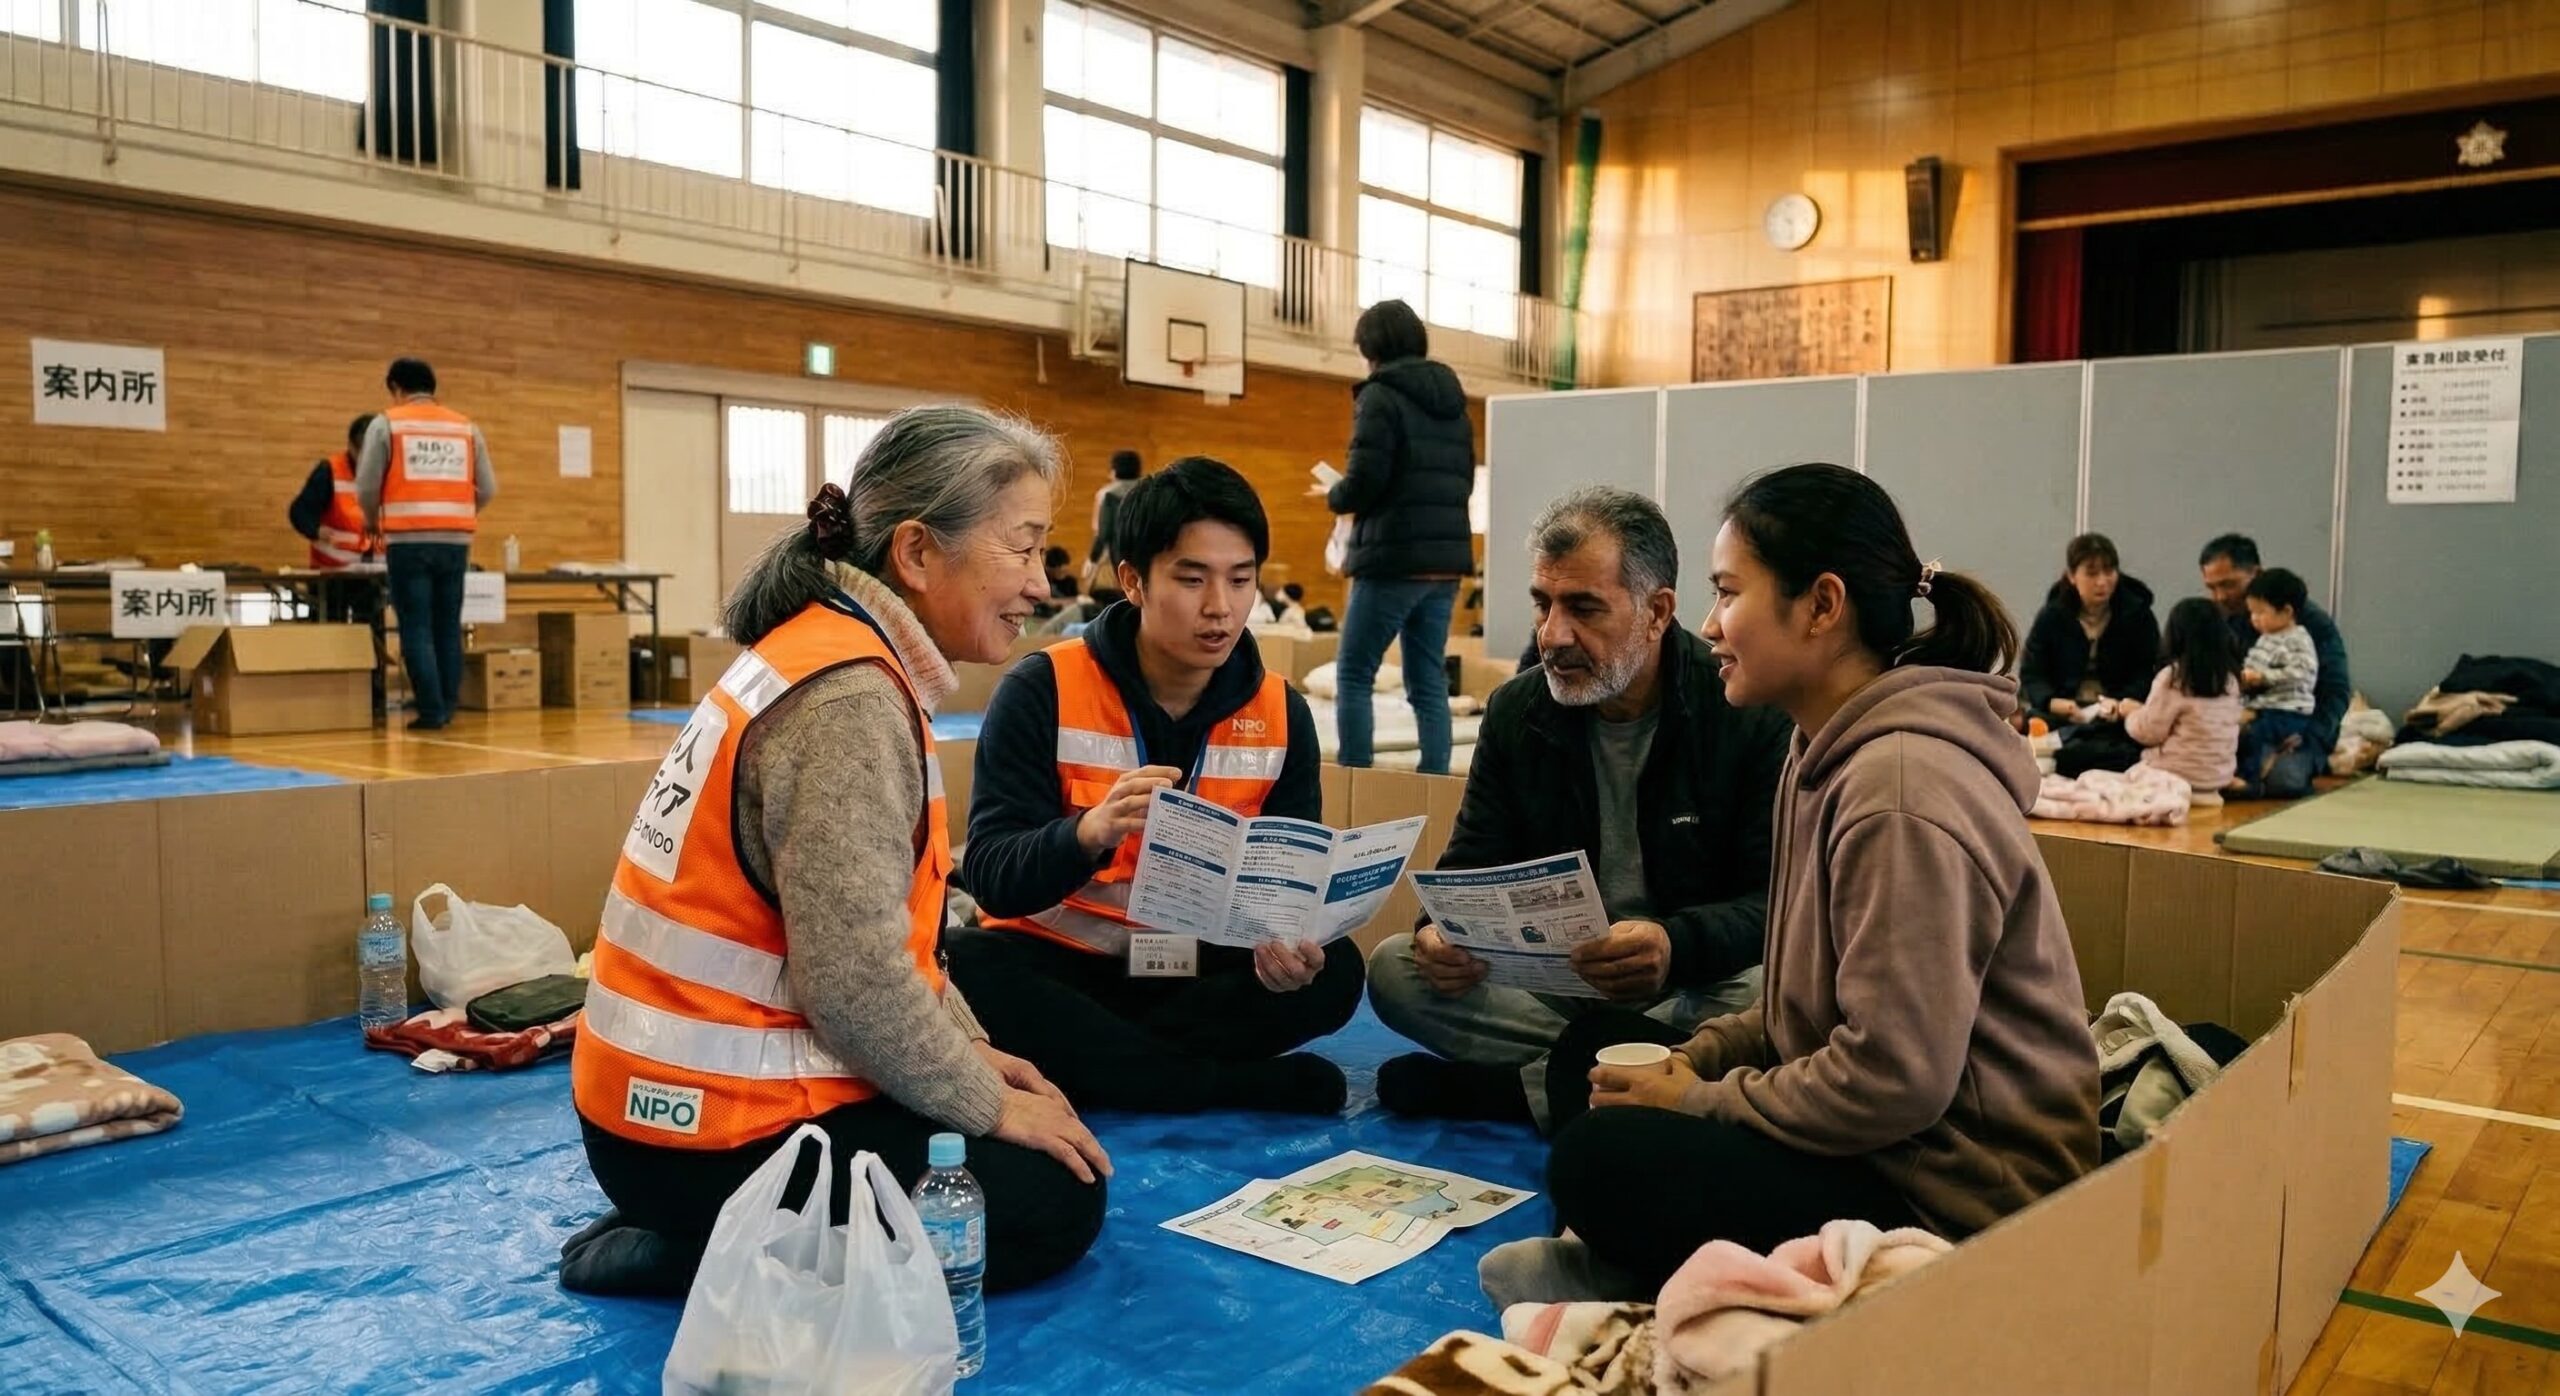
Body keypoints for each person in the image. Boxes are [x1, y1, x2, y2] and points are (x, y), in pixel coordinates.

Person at [564, 406, 1107, 1300]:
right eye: (1023, 547)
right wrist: (988, 1102)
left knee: (1026, 1116)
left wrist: (971, 1050)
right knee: (1052, 1202)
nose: (1040, 584)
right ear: (917, 552)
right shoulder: (850, 699)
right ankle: (702, 1247)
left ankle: (695, 1224)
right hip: (705, 1135)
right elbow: (854, 983)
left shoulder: (836, 654)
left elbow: (893, 946)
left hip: (658, 1114)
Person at [1522, 462, 2098, 1298]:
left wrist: (1697, 1102)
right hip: (1882, 1138)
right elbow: (1805, 1008)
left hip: (1958, 1196)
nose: (1711, 626)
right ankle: (1632, 1264)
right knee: (1593, 1058)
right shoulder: (1820, 749)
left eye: (1728, 593)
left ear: (1822, 606)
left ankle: (1623, 1275)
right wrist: (1696, 1059)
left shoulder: (1899, 791)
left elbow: (1893, 1082)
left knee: (1597, 1158)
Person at [1367, 487, 1787, 1133]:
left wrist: (1673, 944)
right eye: (1544, 604)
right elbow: (1469, 868)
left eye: (1584, 608)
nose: (1553, 635)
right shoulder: (1517, 711)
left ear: (1657, 612)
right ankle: (1619, 1077)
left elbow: (1778, 904)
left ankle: (1526, 1091)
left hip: (1688, 986)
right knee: (1395, 969)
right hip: (1558, 988)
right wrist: (1440, 938)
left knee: (1774, 993)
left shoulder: (1743, 709)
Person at [949, 457, 1360, 1116]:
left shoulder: (1282, 711)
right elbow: (992, 875)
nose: (1220, 607)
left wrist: (1285, 945)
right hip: (1063, 963)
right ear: (1133, 581)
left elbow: (1288, 888)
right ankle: (1221, 1085)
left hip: (1193, 973)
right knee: (963, 963)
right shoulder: (1043, 687)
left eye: (1241, 579)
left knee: (1337, 971)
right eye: (1192, 579)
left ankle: (1118, 1068)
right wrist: (1087, 834)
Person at [1326, 299, 1475, 775]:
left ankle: (1355, 777)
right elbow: (1463, 481)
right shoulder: (1454, 404)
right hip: (1446, 561)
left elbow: (1365, 480)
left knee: (1354, 673)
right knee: (1428, 680)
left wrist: (1334, 494)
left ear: (1371, 348)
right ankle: (1435, 779)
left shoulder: (1379, 396)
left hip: (1392, 558)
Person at [359, 358, 495, 732]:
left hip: (408, 540)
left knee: (416, 627)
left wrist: (371, 519)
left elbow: (367, 485)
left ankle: (432, 711)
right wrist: (459, 512)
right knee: (447, 626)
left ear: (396, 388)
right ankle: (447, 706)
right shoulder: (465, 427)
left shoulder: (387, 424)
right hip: (455, 541)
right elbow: (488, 487)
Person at [2198, 534, 2349, 798]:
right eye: (2212, 588)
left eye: (2229, 585)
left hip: (2296, 728)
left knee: (2283, 778)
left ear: (2256, 574)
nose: (2220, 596)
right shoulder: (2219, 618)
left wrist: (2309, 738)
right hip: (2242, 721)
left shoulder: (2307, 622)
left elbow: (2335, 691)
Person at [2017, 533, 2158, 751]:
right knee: (2033, 728)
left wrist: (2121, 702)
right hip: (2065, 711)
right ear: (2072, 576)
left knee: (2130, 738)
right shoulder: (2053, 616)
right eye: (2091, 574)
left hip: (2116, 712)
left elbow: (2147, 671)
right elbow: (2032, 672)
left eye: (2109, 572)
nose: (2102, 582)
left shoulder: (2137, 615)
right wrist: (2051, 702)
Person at [2121, 598, 2243, 800]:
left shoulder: (2174, 677)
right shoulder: (2230, 680)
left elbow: (2149, 733)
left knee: (2105, 779)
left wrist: (2131, 713)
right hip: (2215, 779)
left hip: (2173, 776)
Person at [2234, 568, 2321, 796]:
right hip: (2264, 705)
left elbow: (2302, 672)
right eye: (2251, 613)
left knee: (2255, 733)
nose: (2254, 619)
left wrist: (2264, 677)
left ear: (2286, 611)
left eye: (2260, 612)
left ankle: (2249, 780)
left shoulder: (2297, 639)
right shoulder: (2267, 637)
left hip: (2287, 710)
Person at [289, 414, 380, 572]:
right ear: (351, 447)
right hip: (334, 572)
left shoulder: (391, 470)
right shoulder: (329, 471)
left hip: (380, 571)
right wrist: (315, 530)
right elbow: (299, 511)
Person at [1082, 449, 1141, 589]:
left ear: (1114, 471)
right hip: (1145, 553)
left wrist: (1092, 559)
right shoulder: (1148, 490)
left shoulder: (1107, 494)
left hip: (1117, 555)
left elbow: (1103, 532)